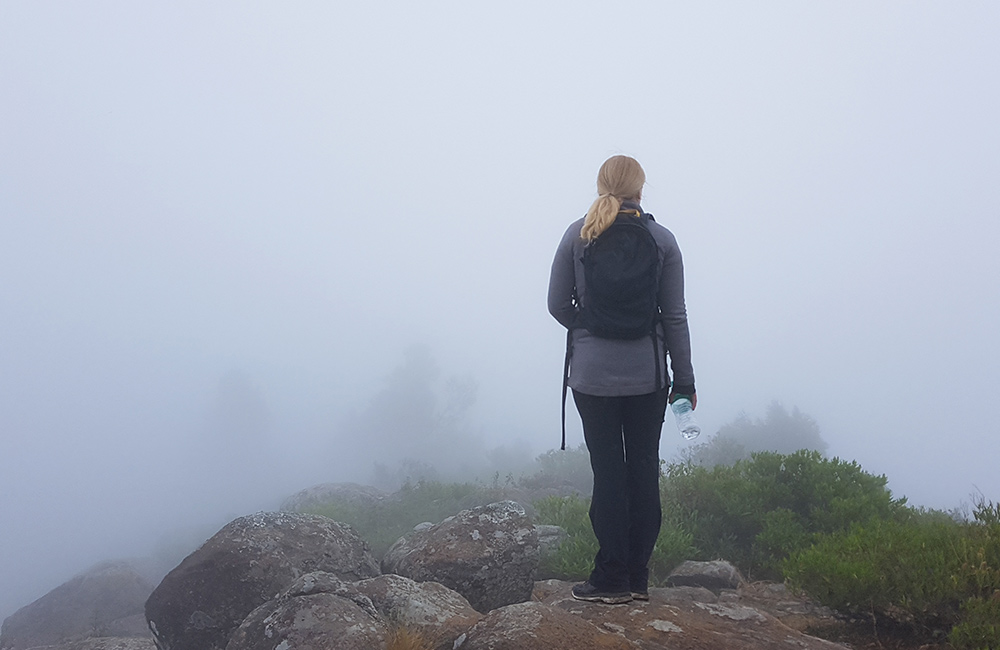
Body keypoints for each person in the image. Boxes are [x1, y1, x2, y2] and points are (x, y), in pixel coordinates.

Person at [547, 155, 696, 604]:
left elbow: (556, 304)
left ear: (601, 185)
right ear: (640, 188)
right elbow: (674, 316)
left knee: (608, 473)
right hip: (648, 378)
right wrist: (684, 380)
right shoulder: (662, 239)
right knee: (643, 472)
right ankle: (636, 578)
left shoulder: (578, 234)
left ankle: (609, 576)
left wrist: (589, 326)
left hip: (592, 379)